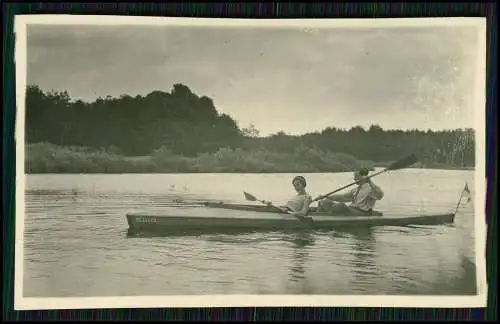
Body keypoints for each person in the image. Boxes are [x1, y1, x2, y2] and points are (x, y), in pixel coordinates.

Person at [316, 168, 384, 216]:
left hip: (362, 213)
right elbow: (342, 197)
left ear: (363, 177)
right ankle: (319, 216)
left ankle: (327, 215)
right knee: (324, 201)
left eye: (357, 177)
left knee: (341, 206)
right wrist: (326, 196)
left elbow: (379, 196)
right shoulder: (355, 190)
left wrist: (370, 181)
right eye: (354, 177)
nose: (355, 179)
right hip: (352, 210)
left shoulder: (370, 189)